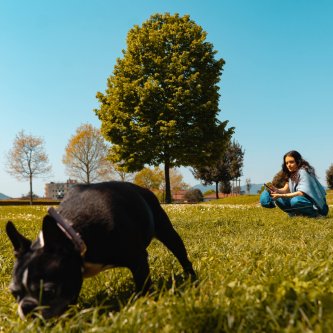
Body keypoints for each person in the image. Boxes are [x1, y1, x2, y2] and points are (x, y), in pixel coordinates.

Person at [260, 150, 329, 218]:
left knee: (295, 200)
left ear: (298, 161)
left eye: (291, 162)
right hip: (304, 202)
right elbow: (285, 190)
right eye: (286, 163)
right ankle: (295, 214)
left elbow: (301, 193)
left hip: (320, 208)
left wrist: (281, 195)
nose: (288, 165)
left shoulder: (303, 172)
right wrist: (276, 190)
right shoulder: (291, 174)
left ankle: (316, 215)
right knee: (279, 199)